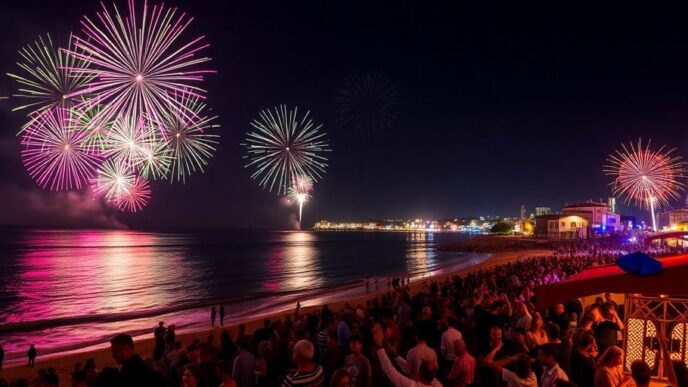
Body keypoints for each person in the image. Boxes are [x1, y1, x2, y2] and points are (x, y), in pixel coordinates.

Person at [371, 323, 441, 387]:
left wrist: (379, 345)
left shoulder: (412, 385)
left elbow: (390, 370)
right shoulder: (433, 352)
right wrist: (396, 355)